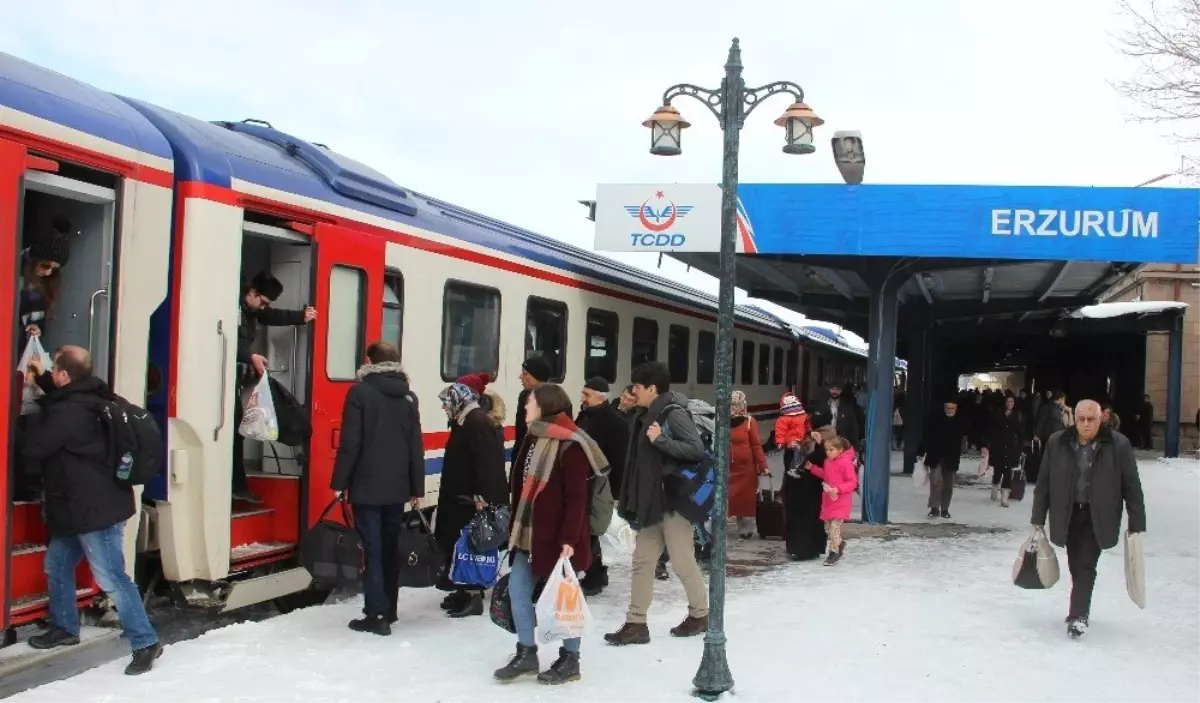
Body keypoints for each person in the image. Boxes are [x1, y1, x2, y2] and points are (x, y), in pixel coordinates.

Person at [21, 346, 162, 675]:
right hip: (82, 506)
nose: (53, 374)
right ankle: (65, 628)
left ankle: (145, 641)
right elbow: (65, 402)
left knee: (112, 578)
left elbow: (35, 447)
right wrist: (42, 377)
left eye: (55, 369)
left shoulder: (68, 412)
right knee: (57, 563)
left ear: (65, 376)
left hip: (93, 510)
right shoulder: (95, 395)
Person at [493, 385, 607, 685]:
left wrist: (569, 539)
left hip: (559, 536)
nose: (525, 407)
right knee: (518, 591)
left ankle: (571, 659)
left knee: (562, 600)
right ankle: (527, 652)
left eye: (529, 402)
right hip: (529, 531)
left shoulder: (571, 443)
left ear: (545, 405)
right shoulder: (534, 436)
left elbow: (576, 498)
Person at [605, 361, 709, 646]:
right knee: (642, 560)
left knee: (682, 560)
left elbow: (695, 450)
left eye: (636, 387)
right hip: (651, 501)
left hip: (673, 501)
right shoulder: (644, 413)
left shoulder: (672, 414)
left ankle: (701, 614)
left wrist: (661, 441)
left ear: (652, 388)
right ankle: (636, 623)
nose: (632, 391)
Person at [329, 341, 424, 635]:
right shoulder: (408, 397)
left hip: (367, 486)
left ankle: (376, 614)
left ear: (370, 361)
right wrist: (416, 487)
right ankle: (390, 609)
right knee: (389, 546)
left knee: (371, 549)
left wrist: (339, 482)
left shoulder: (360, 393)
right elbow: (414, 447)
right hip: (397, 488)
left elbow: (351, 443)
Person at [1031, 400, 1146, 639]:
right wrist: (1038, 518)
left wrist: (1136, 522)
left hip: (1099, 515)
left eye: (1091, 420)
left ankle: (1078, 615)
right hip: (1068, 513)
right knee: (1076, 564)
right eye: (1081, 419)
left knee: (1085, 564)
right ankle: (1079, 608)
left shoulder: (1118, 445)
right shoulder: (1057, 442)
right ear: (1075, 419)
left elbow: (1131, 485)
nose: (1085, 424)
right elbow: (1043, 484)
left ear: (1101, 419)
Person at [234, 271, 317, 504]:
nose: (263, 308)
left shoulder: (251, 308)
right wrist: (250, 356)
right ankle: (236, 486)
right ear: (251, 292)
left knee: (236, 433)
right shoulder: (231, 305)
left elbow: (272, 315)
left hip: (236, 378)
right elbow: (233, 340)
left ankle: (238, 486)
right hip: (225, 379)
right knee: (235, 434)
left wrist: (301, 317)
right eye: (262, 302)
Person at [435, 375, 508, 618]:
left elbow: (487, 465)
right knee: (461, 545)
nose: (444, 407)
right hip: (460, 497)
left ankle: (474, 596)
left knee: (474, 546)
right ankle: (463, 591)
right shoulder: (464, 420)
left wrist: (483, 497)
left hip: (471, 500)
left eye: (447, 402)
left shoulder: (476, 422)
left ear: (459, 399)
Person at [575, 377, 630, 596]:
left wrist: (615, 494)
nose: (583, 398)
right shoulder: (584, 415)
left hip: (601, 486)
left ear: (601, 397)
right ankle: (591, 572)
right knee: (587, 530)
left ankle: (596, 574)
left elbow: (619, 460)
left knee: (595, 530)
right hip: (585, 482)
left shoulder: (614, 423)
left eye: (587, 394)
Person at [785, 425, 835, 561]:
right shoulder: (799, 448)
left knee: (809, 521)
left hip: (812, 490)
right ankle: (799, 549)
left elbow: (827, 465)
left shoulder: (824, 449)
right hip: (798, 490)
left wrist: (820, 446)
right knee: (799, 520)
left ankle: (808, 550)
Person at [807, 436, 858, 566]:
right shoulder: (828, 462)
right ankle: (839, 543)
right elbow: (826, 475)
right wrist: (812, 468)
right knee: (829, 528)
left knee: (834, 528)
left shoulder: (846, 463)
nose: (828, 452)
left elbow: (853, 482)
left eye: (831, 450)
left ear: (840, 450)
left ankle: (833, 552)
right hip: (829, 499)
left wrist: (838, 489)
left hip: (841, 500)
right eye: (827, 450)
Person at [19, 218, 71, 346]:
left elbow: (38, 322)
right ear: (35, 260)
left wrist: (37, 329)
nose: (48, 273)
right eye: (47, 266)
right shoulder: (16, 271)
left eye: (54, 269)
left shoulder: (44, 289)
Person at [917, 400, 968, 519]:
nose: (950, 411)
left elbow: (965, 436)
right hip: (936, 456)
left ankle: (945, 509)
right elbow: (927, 436)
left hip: (952, 457)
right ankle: (934, 507)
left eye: (952, 409)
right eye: (948, 408)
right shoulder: (935, 420)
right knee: (936, 481)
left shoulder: (960, 422)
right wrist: (921, 451)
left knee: (948, 485)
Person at [729, 390, 769, 538]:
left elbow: (757, 446)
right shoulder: (722, 420)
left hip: (746, 469)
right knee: (728, 497)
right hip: (727, 467)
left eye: (734, 404)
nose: (732, 407)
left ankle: (745, 530)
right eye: (730, 404)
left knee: (744, 500)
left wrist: (763, 466)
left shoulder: (750, 422)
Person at [987, 394, 1025, 507]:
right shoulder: (998, 414)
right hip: (998, 446)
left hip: (1011, 447)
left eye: (1012, 402)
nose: (1010, 404)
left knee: (1008, 472)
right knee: (998, 470)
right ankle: (994, 488)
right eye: (1008, 401)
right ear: (1005, 402)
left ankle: (1004, 497)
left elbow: (1020, 433)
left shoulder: (1017, 416)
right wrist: (989, 444)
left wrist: (1020, 447)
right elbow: (992, 430)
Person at [513, 355, 552, 457]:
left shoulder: (552, 400)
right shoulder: (524, 395)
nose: (520, 377)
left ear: (538, 377)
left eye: (525, 374)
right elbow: (520, 432)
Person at [1032, 391, 1073, 483]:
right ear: (1060, 399)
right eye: (1063, 400)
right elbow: (1041, 422)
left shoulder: (1059, 409)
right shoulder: (1048, 408)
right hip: (1050, 436)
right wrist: (1036, 434)